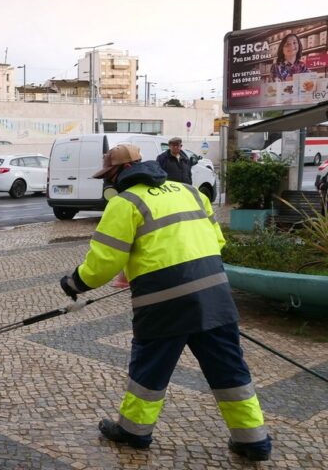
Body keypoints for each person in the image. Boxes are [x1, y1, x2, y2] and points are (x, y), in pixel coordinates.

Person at [59, 144, 271, 461]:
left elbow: (105, 261)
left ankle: (133, 432)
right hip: (215, 296)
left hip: (164, 303)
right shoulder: (190, 192)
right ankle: (254, 442)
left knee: (150, 370)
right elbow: (217, 241)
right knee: (229, 370)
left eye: (108, 176)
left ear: (119, 172)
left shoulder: (126, 202)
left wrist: (74, 283)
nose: (108, 182)